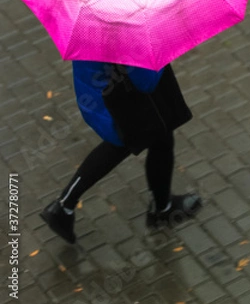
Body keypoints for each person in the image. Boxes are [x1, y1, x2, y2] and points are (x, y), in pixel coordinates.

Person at [40, 60, 202, 244]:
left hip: (100, 89)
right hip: (126, 99)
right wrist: (159, 57)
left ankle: (162, 206)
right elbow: (146, 81)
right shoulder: (125, 32)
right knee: (131, 142)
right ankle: (63, 206)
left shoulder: (92, 31)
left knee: (157, 137)